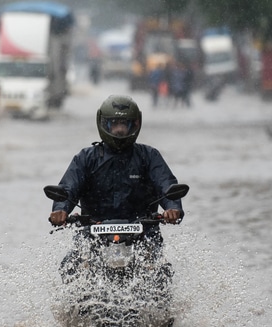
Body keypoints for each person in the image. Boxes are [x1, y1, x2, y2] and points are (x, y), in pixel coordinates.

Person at [49, 95, 184, 277]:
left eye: (125, 124)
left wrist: (173, 208)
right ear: (104, 124)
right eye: (114, 124)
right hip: (93, 229)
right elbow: (68, 188)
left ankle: (159, 305)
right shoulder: (86, 158)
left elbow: (167, 185)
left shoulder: (149, 156)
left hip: (143, 231)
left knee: (160, 271)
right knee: (71, 267)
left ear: (134, 125)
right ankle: (73, 304)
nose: (120, 130)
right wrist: (61, 210)